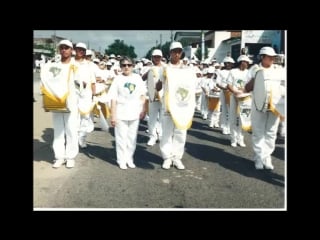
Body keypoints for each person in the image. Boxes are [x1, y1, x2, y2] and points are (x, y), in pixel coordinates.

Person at [155, 41, 197, 170]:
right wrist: (159, 86)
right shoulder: (165, 68)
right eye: (174, 51)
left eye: (179, 51)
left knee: (180, 132)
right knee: (167, 132)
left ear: (181, 53)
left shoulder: (187, 69)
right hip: (168, 104)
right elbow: (159, 85)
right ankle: (167, 157)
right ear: (170, 53)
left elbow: (191, 85)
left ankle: (177, 157)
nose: (177, 54)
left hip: (182, 104)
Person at [243, 46, 285, 170]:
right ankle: (259, 157)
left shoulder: (279, 70)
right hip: (258, 105)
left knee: (271, 132)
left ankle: (267, 157)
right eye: (269, 57)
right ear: (262, 57)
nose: (272, 59)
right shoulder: (254, 69)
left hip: (275, 105)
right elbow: (247, 88)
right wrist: (257, 77)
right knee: (258, 132)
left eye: (273, 57)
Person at [40, 39, 79, 168]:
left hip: (71, 101)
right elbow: (46, 79)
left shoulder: (76, 65)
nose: (64, 50)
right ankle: (59, 157)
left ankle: (70, 157)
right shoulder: (53, 66)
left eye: (66, 48)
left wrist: (81, 83)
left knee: (71, 130)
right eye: (61, 48)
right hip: (57, 101)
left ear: (71, 50)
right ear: (59, 50)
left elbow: (83, 84)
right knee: (59, 130)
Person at [108, 56, 148, 169]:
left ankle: (129, 158)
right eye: (124, 65)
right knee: (121, 138)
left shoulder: (137, 78)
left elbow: (143, 94)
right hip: (121, 113)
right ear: (120, 67)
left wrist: (144, 109)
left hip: (135, 113)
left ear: (133, 66)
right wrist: (113, 116)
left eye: (129, 65)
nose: (126, 67)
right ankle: (121, 160)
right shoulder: (117, 79)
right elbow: (113, 98)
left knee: (132, 138)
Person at [145, 49, 165, 146]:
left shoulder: (166, 68)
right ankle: (152, 136)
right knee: (152, 117)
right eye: (155, 57)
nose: (156, 58)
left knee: (162, 117)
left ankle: (160, 135)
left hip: (163, 96)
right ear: (152, 57)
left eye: (158, 57)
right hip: (152, 96)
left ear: (161, 57)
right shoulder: (149, 68)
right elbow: (142, 78)